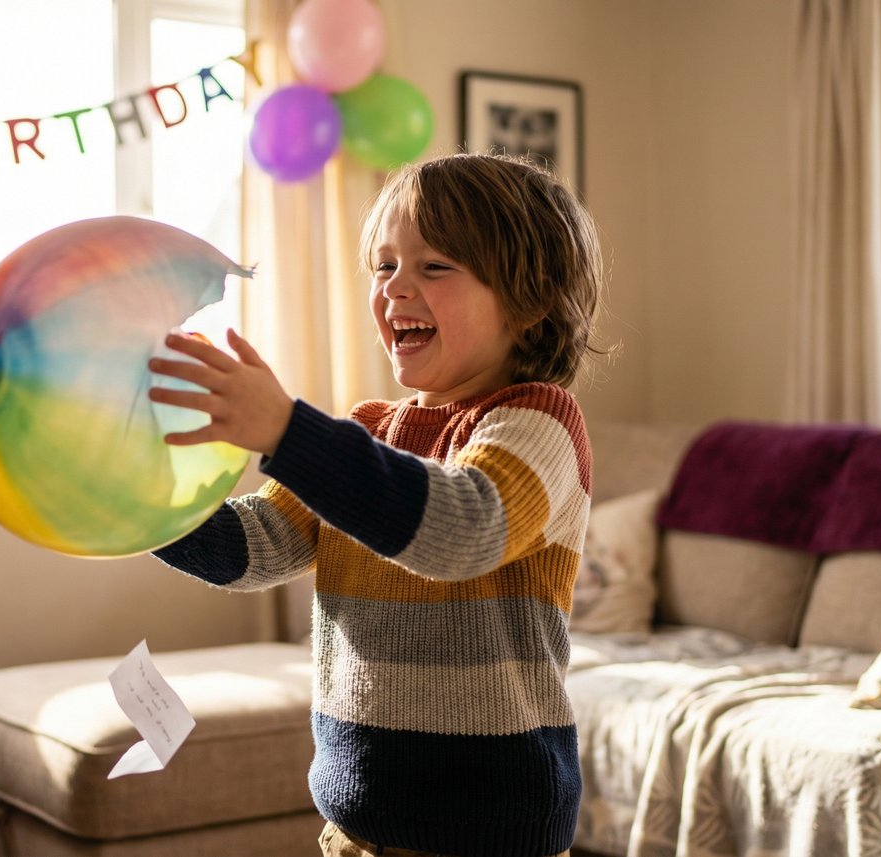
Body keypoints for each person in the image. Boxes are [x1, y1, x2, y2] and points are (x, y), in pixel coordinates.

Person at [146, 152, 603, 857]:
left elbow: (463, 529)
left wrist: (286, 430)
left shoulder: (539, 421)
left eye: (434, 266)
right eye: (384, 266)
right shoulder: (365, 430)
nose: (395, 287)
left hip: (489, 836)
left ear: (530, 300)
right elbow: (255, 546)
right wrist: (141, 506)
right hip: (356, 833)